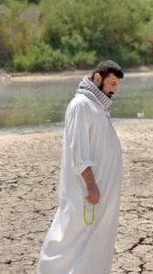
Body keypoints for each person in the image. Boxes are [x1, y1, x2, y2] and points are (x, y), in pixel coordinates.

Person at [38, 60, 125, 274]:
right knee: (68, 238)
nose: (114, 89)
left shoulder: (97, 106)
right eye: (112, 83)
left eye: (117, 85)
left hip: (100, 193)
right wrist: (91, 186)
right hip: (85, 193)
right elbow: (79, 152)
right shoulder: (81, 105)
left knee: (94, 244)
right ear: (98, 78)